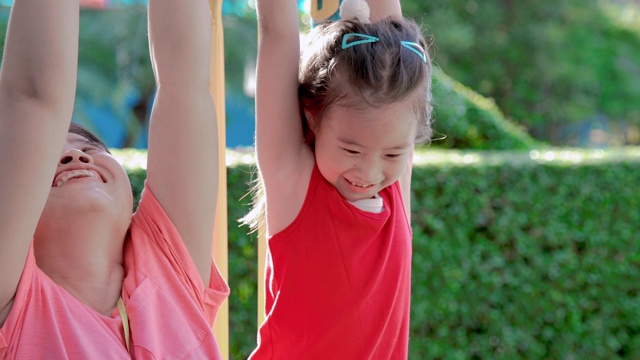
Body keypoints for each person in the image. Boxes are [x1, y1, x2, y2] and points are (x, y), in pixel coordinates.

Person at [0, 0, 229, 358]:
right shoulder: (13, 303)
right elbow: (33, 100)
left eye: (90, 146)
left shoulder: (167, 272)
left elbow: (185, 81)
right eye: (49, 156)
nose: (75, 155)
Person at [245, 0, 432, 357]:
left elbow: (391, 29)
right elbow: (278, 32)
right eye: (351, 150)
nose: (370, 172)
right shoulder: (294, 183)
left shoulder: (394, 186)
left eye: (393, 155)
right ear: (312, 116)